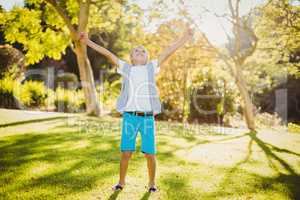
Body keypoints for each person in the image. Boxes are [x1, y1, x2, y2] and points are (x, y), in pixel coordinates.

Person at [79, 26, 193, 193]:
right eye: (136, 51)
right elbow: (108, 53)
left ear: (147, 57)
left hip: (147, 118)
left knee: (150, 154)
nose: (140, 51)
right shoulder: (126, 68)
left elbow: (168, 51)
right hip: (130, 117)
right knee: (126, 152)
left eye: (143, 51)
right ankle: (121, 182)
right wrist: (87, 41)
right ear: (131, 57)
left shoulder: (151, 67)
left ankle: (152, 183)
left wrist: (184, 37)